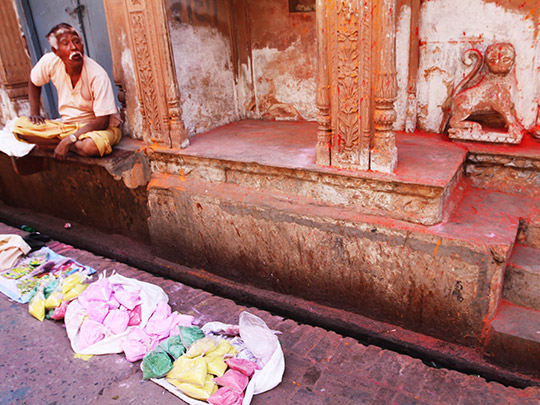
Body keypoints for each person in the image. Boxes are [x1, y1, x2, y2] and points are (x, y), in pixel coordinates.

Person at [13, 23, 121, 159]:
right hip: (67, 127)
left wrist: (69, 139)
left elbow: (102, 122)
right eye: (66, 44)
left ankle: (61, 144)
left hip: (95, 130)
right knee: (20, 128)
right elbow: (34, 81)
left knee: (92, 146)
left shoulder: (97, 74)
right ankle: (68, 144)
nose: (74, 47)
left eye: (76, 42)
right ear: (55, 50)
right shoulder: (50, 61)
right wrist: (34, 113)